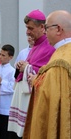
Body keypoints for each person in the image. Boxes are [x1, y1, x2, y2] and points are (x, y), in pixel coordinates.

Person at [23, 10, 71, 139]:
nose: (45, 32)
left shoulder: (60, 61)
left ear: (58, 29)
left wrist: (35, 80)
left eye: (47, 28)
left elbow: (52, 95)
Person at [8, 9, 55, 139]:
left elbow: (48, 73)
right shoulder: (36, 45)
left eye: (30, 28)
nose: (27, 32)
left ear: (42, 27)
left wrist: (27, 67)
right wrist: (21, 66)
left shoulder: (49, 46)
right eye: (26, 28)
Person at [0, 44, 15, 139]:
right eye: (0, 54)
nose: (0, 57)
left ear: (10, 57)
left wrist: (1, 81)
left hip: (5, 106)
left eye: (3, 55)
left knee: (4, 133)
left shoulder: (13, 71)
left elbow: (12, 88)